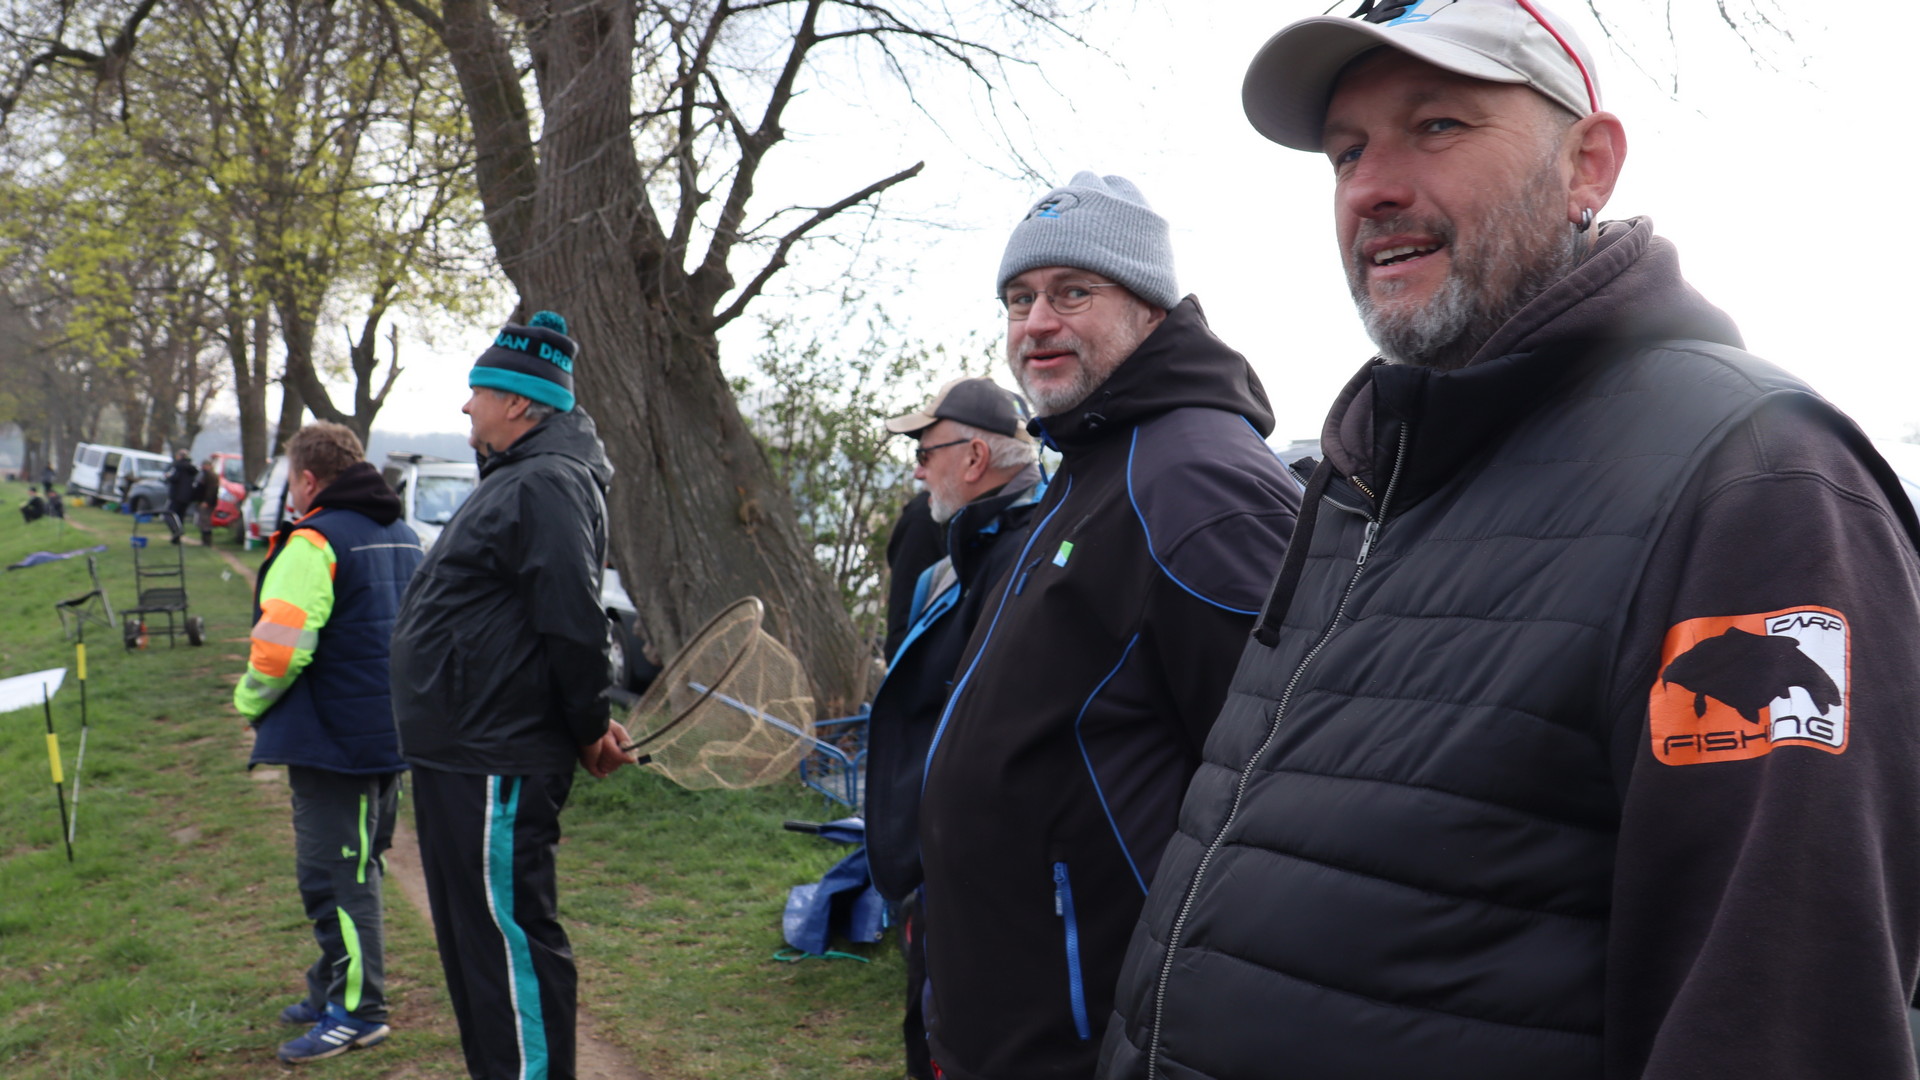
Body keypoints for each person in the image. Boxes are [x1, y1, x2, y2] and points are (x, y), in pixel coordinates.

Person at [1100, 5, 1920, 1079]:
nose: (1369, 188)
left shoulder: (1756, 485)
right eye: (1346, 152)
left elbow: (1783, 1019)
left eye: (1437, 125)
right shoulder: (1362, 476)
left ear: (1589, 165)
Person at [916, 173, 1302, 1079]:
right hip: (1008, 1014)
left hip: (1093, 1035)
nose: (1036, 323)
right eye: (1019, 299)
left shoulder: (1195, 481)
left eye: (1072, 292)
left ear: (1150, 308)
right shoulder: (1091, 463)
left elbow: (1285, 797)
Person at [389, 310, 636, 1080]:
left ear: (521, 403)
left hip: (496, 754)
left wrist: (590, 725)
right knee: (473, 944)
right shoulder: (519, 476)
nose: (467, 405)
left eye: (479, 392)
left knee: (506, 940)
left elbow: (573, 621)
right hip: (463, 750)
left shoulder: (549, 482)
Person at [868, 377, 1045, 1080]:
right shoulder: (952, 559)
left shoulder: (1036, 555)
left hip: (991, 879)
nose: (917, 471)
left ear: (974, 457)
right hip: (936, 867)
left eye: (925, 451)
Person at [234, 421, 424, 1064]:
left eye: (292, 480)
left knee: (337, 878)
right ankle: (329, 987)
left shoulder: (314, 541)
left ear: (309, 480)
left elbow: (279, 651)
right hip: (390, 734)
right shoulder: (404, 536)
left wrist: (248, 703)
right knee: (352, 868)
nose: (291, 493)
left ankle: (358, 1013)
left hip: (335, 742)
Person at [164, 449, 198, 543]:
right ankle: (177, 538)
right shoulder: (192, 467)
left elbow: (175, 478)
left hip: (177, 495)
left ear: (180, 456)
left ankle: (176, 530)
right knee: (180, 516)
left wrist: (168, 477)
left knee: (168, 514)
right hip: (187, 497)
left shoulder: (178, 466)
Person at [196, 457, 221, 546]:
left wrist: (207, 501)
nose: (203, 467)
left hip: (207, 502)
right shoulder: (205, 474)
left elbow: (211, 490)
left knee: (205, 520)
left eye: (205, 465)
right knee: (203, 521)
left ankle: (207, 541)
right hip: (203, 501)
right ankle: (204, 540)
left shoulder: (211, 475)